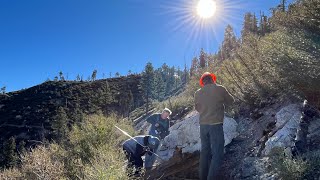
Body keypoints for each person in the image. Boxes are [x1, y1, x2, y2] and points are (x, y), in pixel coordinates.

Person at [194, 72, 234, 180]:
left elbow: (197, 108)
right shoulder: (220, 88)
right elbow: (231, 101)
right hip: (215, 125)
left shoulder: (197, 92)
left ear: (203, 82)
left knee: (205, 153)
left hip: (203, 126)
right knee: (217, 153)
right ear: (212, 79)